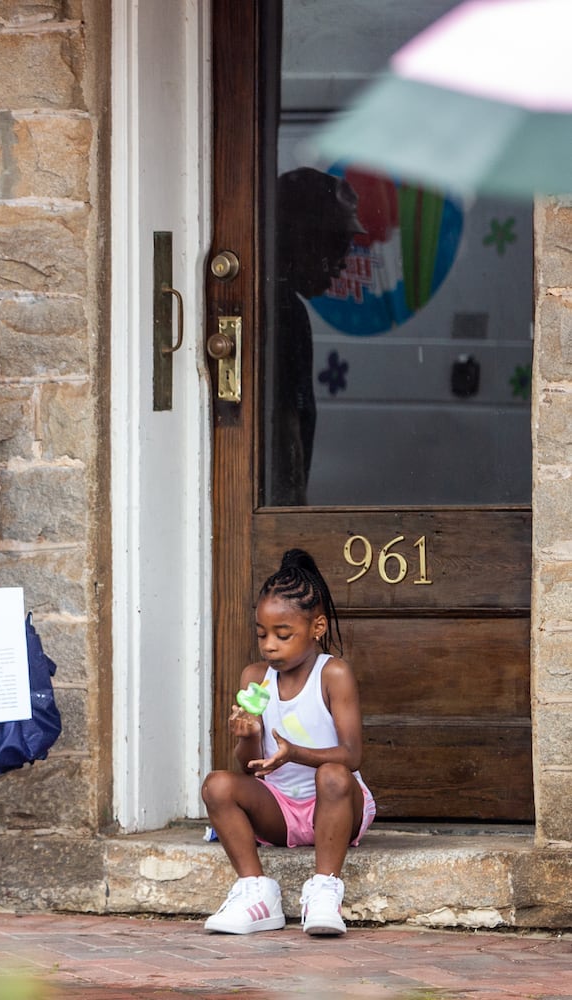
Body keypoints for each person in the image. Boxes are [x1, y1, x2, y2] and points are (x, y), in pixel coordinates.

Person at [201, 548, 375, 936]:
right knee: (216, 785)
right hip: (280, 811)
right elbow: (247, 766)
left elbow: (352, 755)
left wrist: (294, 753)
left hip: (337, 806)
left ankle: (325, 889)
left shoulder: (334, 674)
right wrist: (249, 737)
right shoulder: (255, 677)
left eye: (283, 635)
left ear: (317, 628)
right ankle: (255, 893)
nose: (270, 646)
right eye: (262, 634)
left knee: (332, 774)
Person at [270, 168, 365, 506]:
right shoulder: (280, 311)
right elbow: (287, 427)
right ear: (302, 240)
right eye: (337, 245)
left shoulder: (281, 306)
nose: (342, 264)